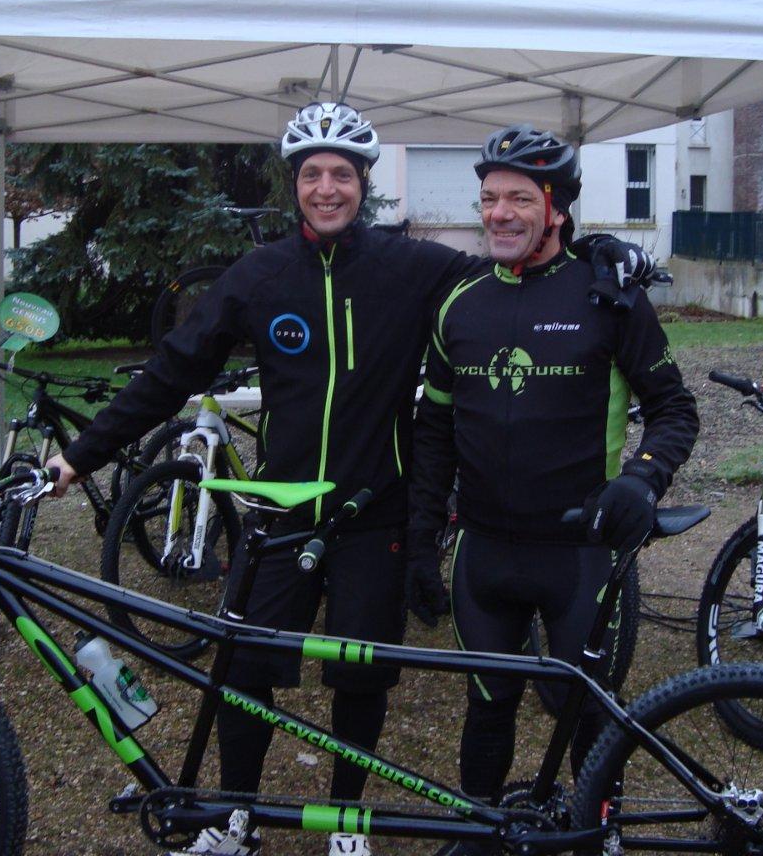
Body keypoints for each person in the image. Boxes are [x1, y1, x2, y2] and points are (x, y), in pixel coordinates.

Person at [46, 104, 656, 856]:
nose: (326, 189)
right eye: (312, 175)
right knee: (244, 672)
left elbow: (521, 263)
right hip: (282, 510)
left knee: (360, 680)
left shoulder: (413, 267)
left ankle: (345, 822)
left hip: (375, 513)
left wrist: (598, 249)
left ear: (363, 184)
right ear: (294, 184)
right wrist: (80, 456)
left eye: (342, 174)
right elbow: (171, 372)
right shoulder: (259, 275)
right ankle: (236, 817)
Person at [404, 124, 699, 854]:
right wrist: (420, 539)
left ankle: (601, 835)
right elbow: (433, 430)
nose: (499, 213)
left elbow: (674, 408)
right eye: (488, 198)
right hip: (485, 551)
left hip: (578, 553)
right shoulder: (459, 302)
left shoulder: (609, 295)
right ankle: (481, 832)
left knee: (587, 712)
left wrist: (643, 478)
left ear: (556, 207)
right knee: (487, 704)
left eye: (518, 199)